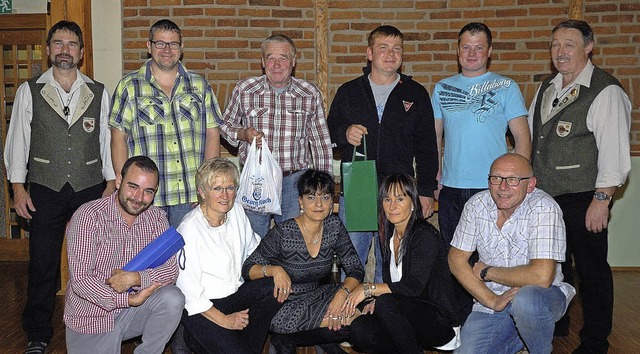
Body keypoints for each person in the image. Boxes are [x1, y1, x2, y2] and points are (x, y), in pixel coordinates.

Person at [3, 20, 116, 354]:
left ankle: (101, 321)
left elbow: (106, 139)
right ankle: (38, 333)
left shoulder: (98, 91)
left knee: (98, 259)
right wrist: (18, 187)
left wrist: (111, 181)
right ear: (48, 49)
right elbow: (18, 142)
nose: (65, 49)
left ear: (81, 53)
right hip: (45, 187)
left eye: (71, 44)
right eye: (58, 43)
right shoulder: (30, 90)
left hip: (90, 186)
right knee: (42, 264)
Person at [528, 20, 631, 353]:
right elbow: (535, 136)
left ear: (589, 46)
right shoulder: (548, 86)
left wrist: (601, 200)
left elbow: (614, 152)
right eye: (555, 44)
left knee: (592, 270)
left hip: (585, 195)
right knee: (556, 264)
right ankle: (560, 323)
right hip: (547, 195)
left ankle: (595, 340)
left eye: (569, 44)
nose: (560, 52)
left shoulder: (606, 90)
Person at [327, 25, 438, 283]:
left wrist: (425, 190)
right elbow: (328, 133)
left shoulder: (415, 93)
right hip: (357, 189)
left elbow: (427, 146)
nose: (390, 54)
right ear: (369, 53)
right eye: (383, 48)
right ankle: (347, 314)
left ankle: (386, 312)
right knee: (351, 257)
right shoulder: (349, 91)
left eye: (396, 48)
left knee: (394, 259)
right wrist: (345, 134)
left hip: (398, 190)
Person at [448, 153, 575, 354]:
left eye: (513, 180)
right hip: (492, 301)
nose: (503, 187)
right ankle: (519, 341)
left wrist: (486, 272)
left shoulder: (544, 207)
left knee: (526, 301)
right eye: (496, 178)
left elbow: (541, 277)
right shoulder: (476, 205)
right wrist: (491, 300)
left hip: (541, 298)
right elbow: (456, 258)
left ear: (531, 184)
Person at [64, 156, 185, 353]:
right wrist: (127, 299)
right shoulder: (88, 216)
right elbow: (81, 281)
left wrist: (134, 278)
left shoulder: (156, 217)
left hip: (134, 312)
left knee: (172, 298)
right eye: (133, 186)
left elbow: (171, 270)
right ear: (119, 181)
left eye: (148, 191)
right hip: (92, 317)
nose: (139, 198)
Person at [110, 18, 222, 227]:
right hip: (147, 199)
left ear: (181, 48)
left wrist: (209, 184)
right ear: (149, 46)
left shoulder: (199, 86)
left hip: (190, 195)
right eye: (160, 43)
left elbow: (212, 134)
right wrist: (124, 187)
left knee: (188, 258)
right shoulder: (129, 86)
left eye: (173, 44)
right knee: (149, 258)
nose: (167, 49)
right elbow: (118, 138)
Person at [220, 34, 333, 238]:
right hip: (256, 180)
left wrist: (323, 186)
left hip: (295, 181)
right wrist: (243, 134)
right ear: (263, 62)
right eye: (271, 58)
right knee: (253, 241)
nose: (277, 64)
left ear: (293, 61)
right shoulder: (245, 90)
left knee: (293, 242)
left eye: (283, 58)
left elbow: (320, 142)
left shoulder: (309, 93)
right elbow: (224, 125)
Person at [242, 170, 365, 353]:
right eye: (311, 197)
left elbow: (355, 268)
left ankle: (287, 339)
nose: (318, 204)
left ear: (332, 201)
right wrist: (274, 270)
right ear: (300, 201)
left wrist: (342, 293)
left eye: (324, 197)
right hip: (282, 304)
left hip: (315, 295)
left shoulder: (334, 227)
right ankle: (290, 337)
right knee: (345, 320)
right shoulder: (284, 232)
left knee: (358, 310)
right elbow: (248, 269)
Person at [175, 158, 282, 353]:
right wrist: (224, 320)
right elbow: (188, 292)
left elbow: (254, 250)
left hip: (234, 296)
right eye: (217, 188)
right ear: (202, 192)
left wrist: (276, 269)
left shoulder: (237, 212)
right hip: (203, 308)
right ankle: (192, 338)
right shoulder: (188, 228)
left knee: (274, 286)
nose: (225, 195)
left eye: (230, 188)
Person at [345, 174, 460, 353]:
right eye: (387, 199)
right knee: (359, 330)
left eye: (400, 199)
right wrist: (377, 299)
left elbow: (413, 287)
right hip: (405, 316)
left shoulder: (424, 235)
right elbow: (396, 288)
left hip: (439, 323)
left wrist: (368, 289)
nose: (392, 206)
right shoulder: (389, 235)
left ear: (413, 202)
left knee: (386, 304)